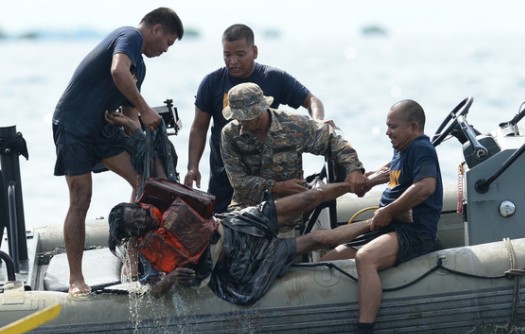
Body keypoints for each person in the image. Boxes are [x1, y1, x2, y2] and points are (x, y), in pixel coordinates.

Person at [108, 171, 394, 306]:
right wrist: (172, 278)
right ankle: (377, 221)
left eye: (140, 213)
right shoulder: (146, 251)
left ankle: (376, 178)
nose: (144, 219)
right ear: (134, 235)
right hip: (236, 261)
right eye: (138, 225)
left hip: (234, 223)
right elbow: (152, 290)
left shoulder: (157, 197)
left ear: (137, 204)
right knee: (315, 240)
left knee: (309, 197)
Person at [52, 7, 184, 296]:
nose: (166, 50)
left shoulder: (142, 68)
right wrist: (149, 109)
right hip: (74, 125)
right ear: (157, 30)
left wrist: (144, 136)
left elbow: (131, 115)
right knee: (81, 197)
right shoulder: (129, 37)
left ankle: (132, 255)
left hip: (103, 127)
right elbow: (116, 71)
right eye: (168, 43)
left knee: (142, 181)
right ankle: (76, 279)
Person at [320, 100, 443, 334]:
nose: (387, 132)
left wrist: (388, 210)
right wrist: (368, 179)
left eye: (392, 126)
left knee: (366, 257)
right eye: (387, 126)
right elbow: (390, 170)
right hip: (389, 228)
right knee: (331, 259)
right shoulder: (401, 149)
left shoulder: (421, 148)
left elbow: (426, 186)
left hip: (413, 230)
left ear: (414, 127)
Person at [184, 23, 327, 214]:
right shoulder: (211, 82)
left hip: (266, 173)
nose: (233, 61)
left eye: (240, 54)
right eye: (227, 54)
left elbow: (311, 100)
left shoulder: (274, 78)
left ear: (254, 51)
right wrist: (192, 167)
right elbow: (198, 128)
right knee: (222, 225)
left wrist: (317, 122)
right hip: (225, 174)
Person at [220, 82, 367, 232]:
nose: (240, 123)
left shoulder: (293, 125)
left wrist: (354, 169)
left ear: (259, 111)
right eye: (237, 117)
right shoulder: (230, 134)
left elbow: (333, 141)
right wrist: (277, 187)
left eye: (244, 118)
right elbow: (238, 182)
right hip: (248, 212)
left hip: (289, 214)